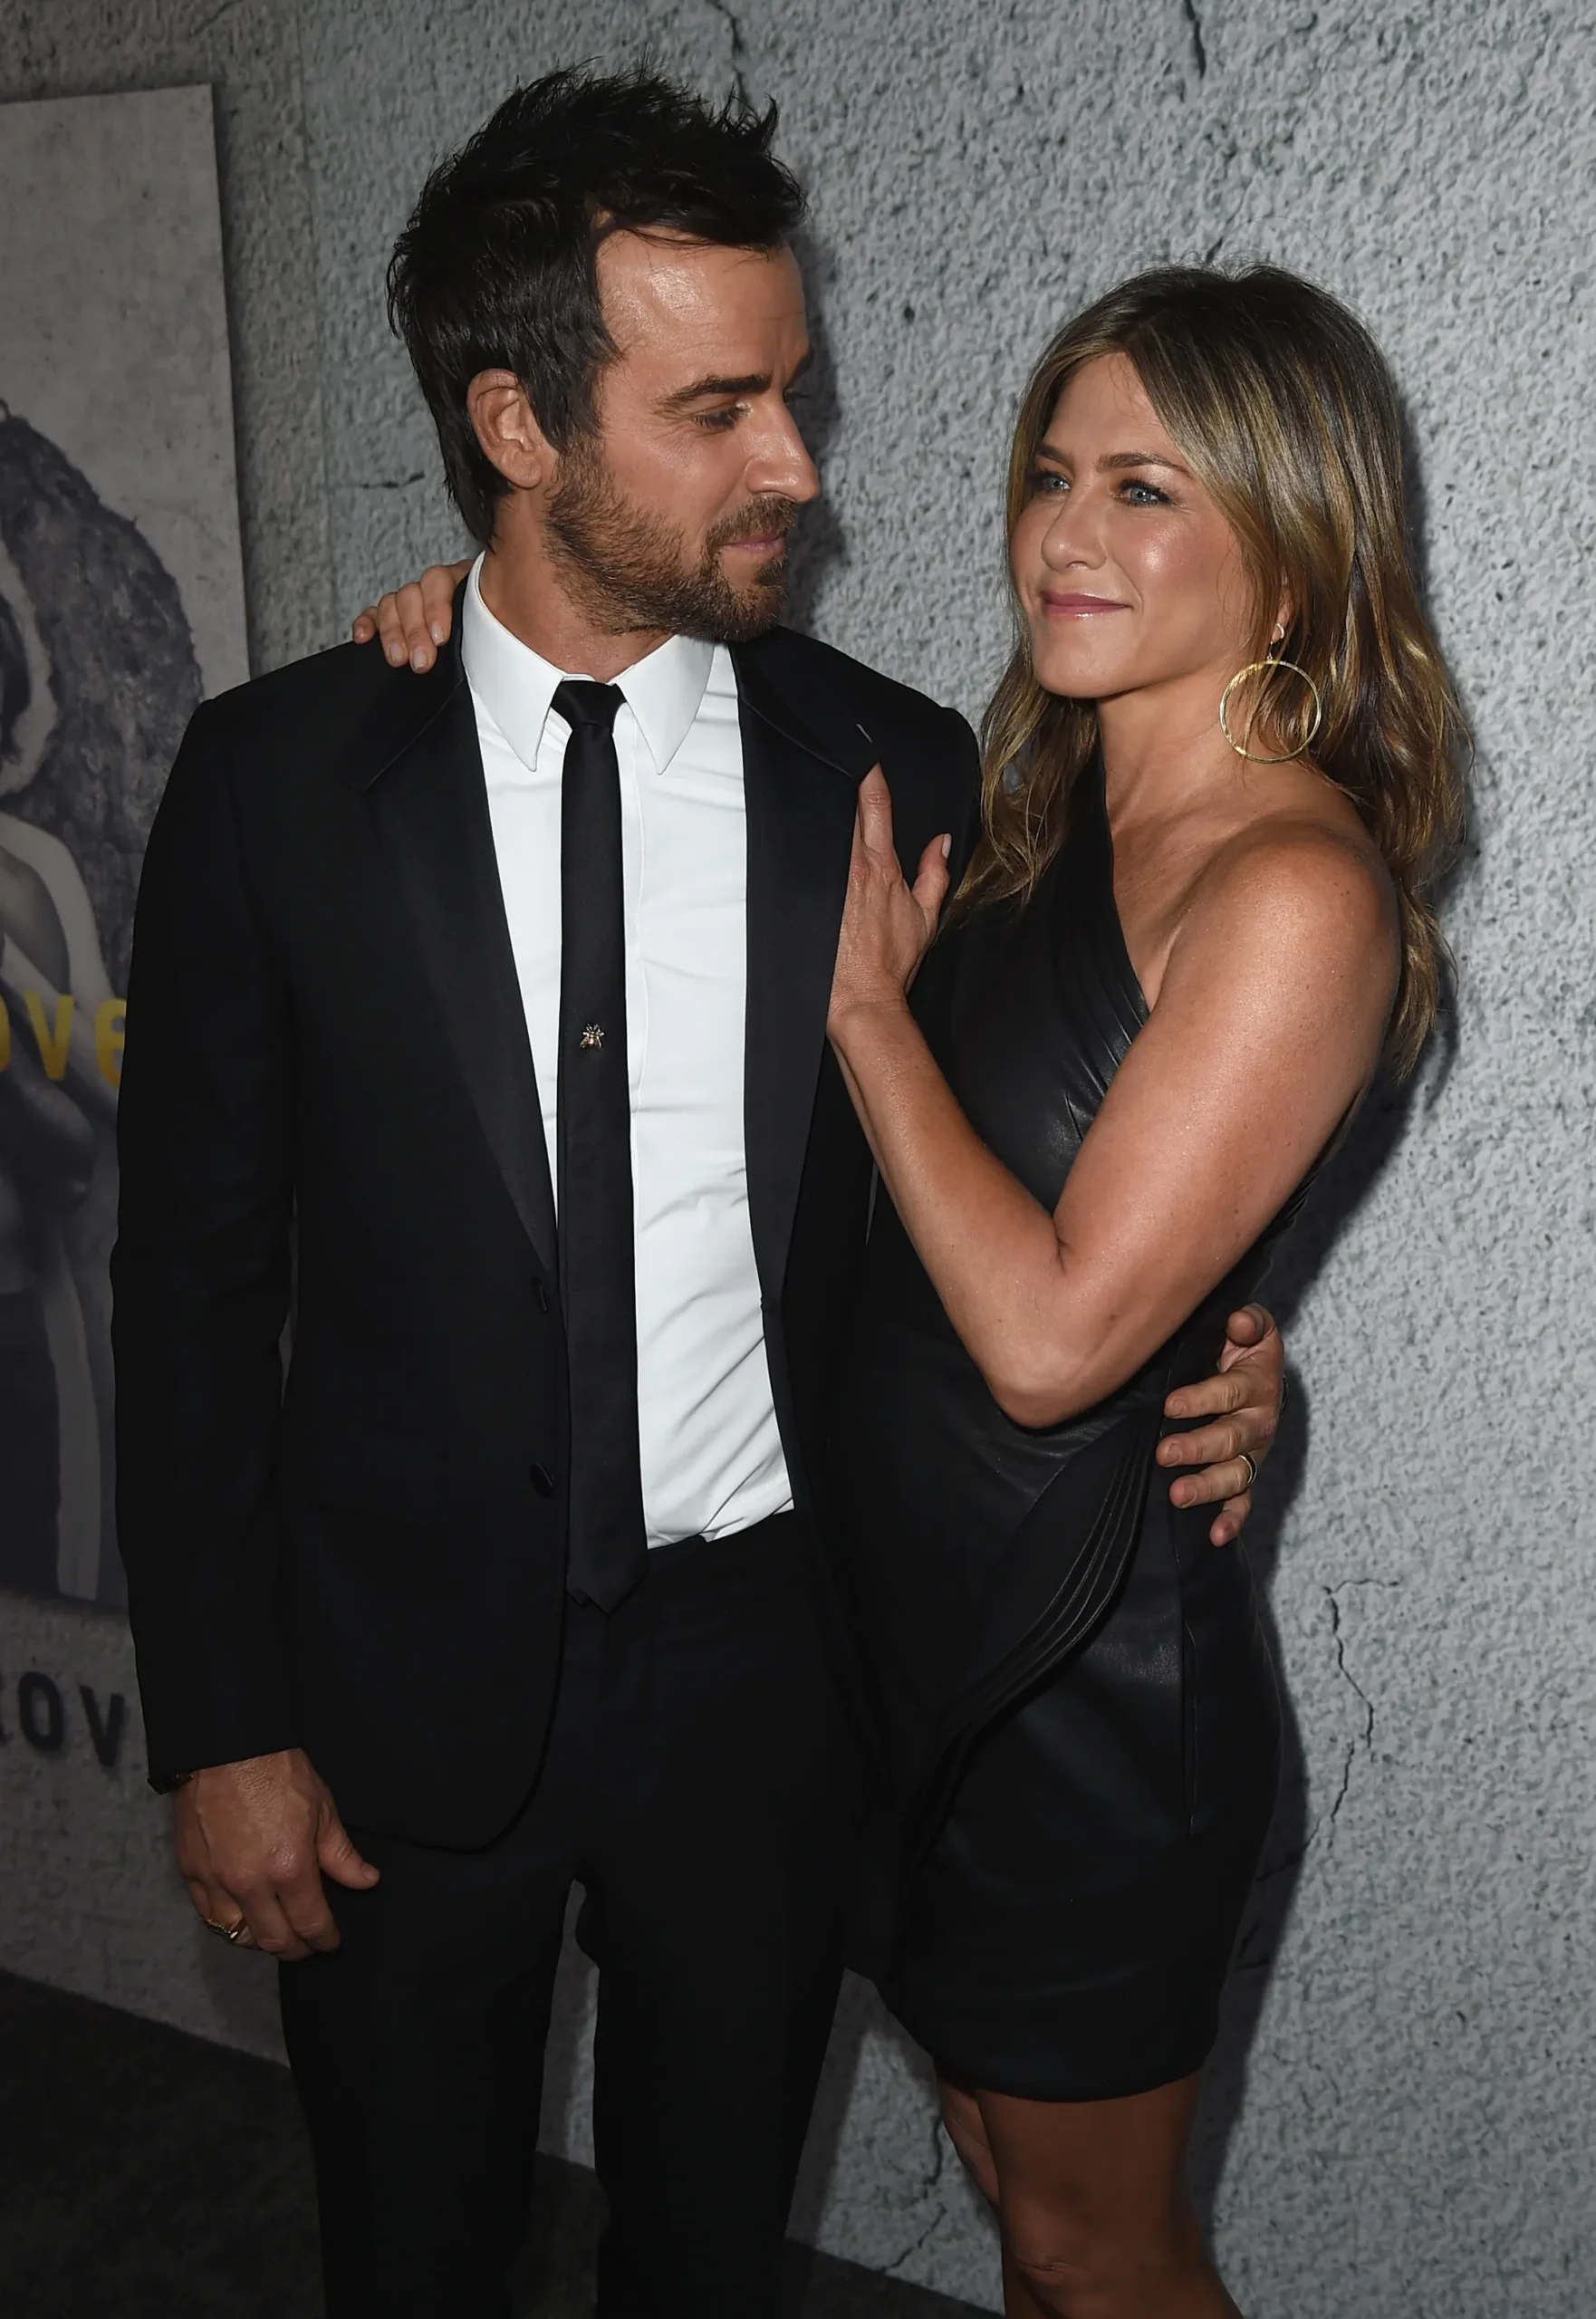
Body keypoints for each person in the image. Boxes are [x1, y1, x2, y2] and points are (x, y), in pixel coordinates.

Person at [116, 70, 1286, 2319]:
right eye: (720, 406)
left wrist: (1228, 1351)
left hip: (769, 1688)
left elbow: (1045, 1166)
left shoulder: (894, 761)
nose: (800, 467)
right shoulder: (277, 776)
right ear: (518, 423)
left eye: (795, 392)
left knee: (708, 2262)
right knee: (410, 2256)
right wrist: (219, 1720)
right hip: (377, 1706)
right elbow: (184, 1280)